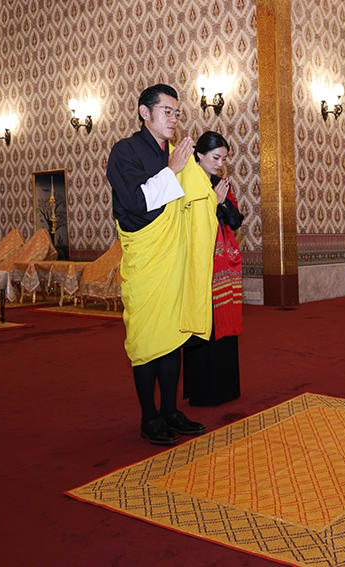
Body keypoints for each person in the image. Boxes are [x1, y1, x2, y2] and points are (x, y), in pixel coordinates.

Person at [106, 84, 217, 445]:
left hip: (175, 259)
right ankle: (149, 417)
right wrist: (172, 170)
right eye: (166, 111)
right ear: (144, 112)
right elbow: (137, 202)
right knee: (146, 340)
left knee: (172, 339)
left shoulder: (176, 152)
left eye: (176, 112)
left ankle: (169, 410)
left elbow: (198, 198)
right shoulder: (124, 152)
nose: (173, 119)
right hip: (147, 259)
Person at [181, 132, 244, 406]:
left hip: (223, 261)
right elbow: (185, 221)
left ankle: (226, 387)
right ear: (199, 155)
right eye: (216, 157)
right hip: (198, 261)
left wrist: (222, 203)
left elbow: (236, 219)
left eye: (224, 158)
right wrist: (213, 204)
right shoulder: (186, 182)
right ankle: (203, 390)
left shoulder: (221, 183)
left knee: (223, 324)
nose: (220, 163)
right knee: (202, 322)